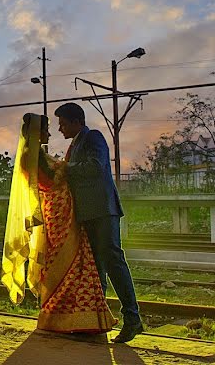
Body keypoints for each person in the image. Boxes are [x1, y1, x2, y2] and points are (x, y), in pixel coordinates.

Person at [2, 113, 115, 336]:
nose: (51, 133)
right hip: (58, 214)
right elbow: (49, 183)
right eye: (47, 130)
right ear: (37, 132)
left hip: (64, 211)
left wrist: (65, 168)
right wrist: (64, 170)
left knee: (80, 261)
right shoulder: (29, 156)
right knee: (69, 262)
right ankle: (64, 316)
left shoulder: (39, 155)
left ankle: (79, 317)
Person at [51, 102, 143, 343]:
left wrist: (64, 168)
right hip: (88, 214)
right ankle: (95, 322)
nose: (60, 129)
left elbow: (94, 167)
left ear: (75, 121)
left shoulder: (93, 137)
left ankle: (133, 319)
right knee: (95, 268)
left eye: (62, 124)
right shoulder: (75, 144)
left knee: (113, 261)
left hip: (102, 210)